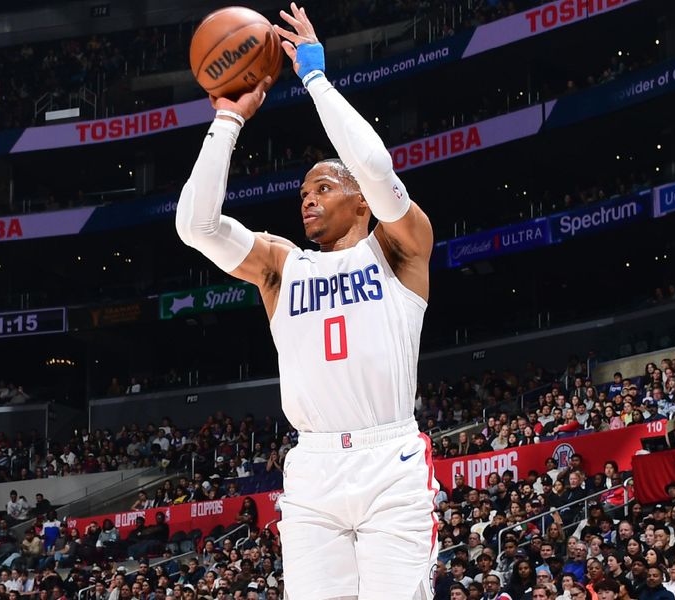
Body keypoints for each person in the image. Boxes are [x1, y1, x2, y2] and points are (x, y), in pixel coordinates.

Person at [175, 3, 436, 599]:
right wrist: (227, 120)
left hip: (388, 460)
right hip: (313, 467)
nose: (308, 200)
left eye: (324, 187)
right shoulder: (279, 265)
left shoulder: (400, 250)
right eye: (302, 192)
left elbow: (371, 163)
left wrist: (315, 78)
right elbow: (195, 225)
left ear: (361, 202)